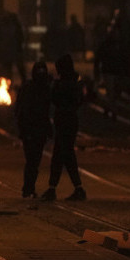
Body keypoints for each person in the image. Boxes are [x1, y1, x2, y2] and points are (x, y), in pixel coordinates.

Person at [41, 54, 86, 201]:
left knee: (62, 154)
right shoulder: (76, 82)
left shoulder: (61, 84)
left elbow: (53, 99)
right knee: (64, 154)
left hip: (63, 120)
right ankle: (62, 187)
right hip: (72, 120)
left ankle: (62, 188)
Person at [15, 61, 52, 199]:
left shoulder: (43, 88)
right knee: (32, 160)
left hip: (36, 130)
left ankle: (29, 187)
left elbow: (46, 111)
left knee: (34, 161)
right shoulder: (31, 88)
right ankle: (28, 188)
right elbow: (21, 109)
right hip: (31, 129)